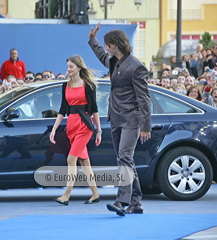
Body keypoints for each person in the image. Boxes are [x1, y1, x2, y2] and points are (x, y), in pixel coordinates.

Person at [88, 23, 151, 216]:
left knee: (124, 157)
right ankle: (136, 202)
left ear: (116, 44)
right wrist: (93, 40)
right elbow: (101, 56)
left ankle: (121, 201)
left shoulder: (136, 67)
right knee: (126, 160)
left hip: (131, 120)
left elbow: (144, 98)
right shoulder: (115, 61)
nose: (106, 48)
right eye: (106, 45)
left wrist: (145, 126)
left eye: (108, 44)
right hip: (115, 117)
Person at [50, 55, 102, 206]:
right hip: (71, 126)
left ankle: (66, 195)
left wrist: (98, 131)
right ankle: (95, 194)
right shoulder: (65, 86)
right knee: (85, 162)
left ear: (79, 68)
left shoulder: (88, 86)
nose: (68, 69)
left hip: (84, 126)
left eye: (71, 67)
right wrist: (54, 130)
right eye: (67, 67)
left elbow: (94, 110)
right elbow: (62, 110)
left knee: (71, 159)